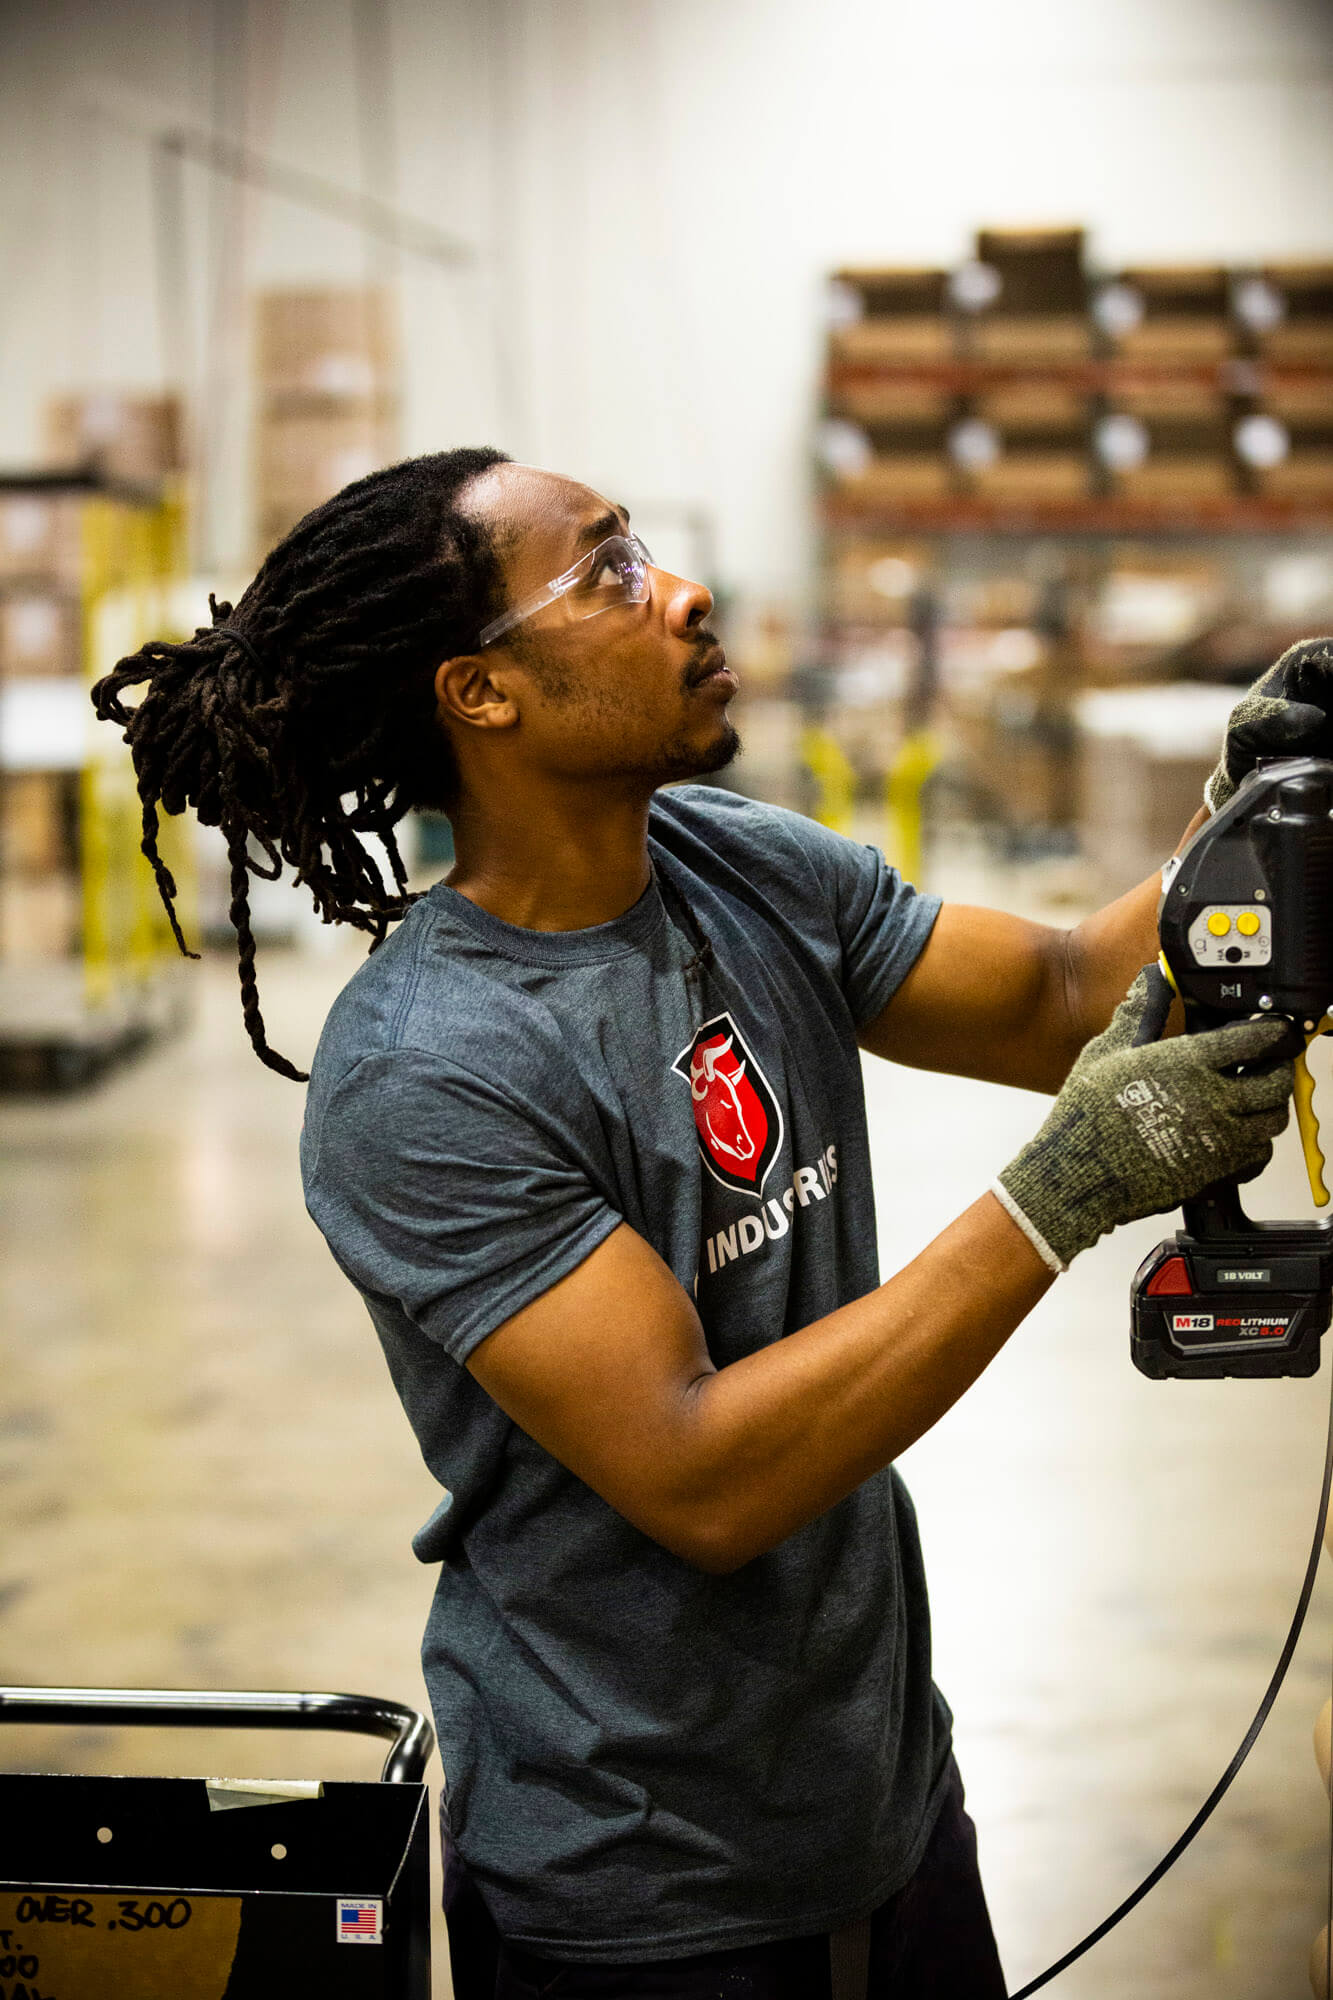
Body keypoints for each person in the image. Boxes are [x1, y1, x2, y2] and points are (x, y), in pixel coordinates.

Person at [92, 448, 1312, 2000]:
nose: (680, 590)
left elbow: (1058, 996)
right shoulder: (429, 1069)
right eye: (605, 570)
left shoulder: (732, 862)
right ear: (483, 695)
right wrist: (1058, 1195)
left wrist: (1255, 811)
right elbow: (703, 1472)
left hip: (884, 1806)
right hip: (643, 1891)